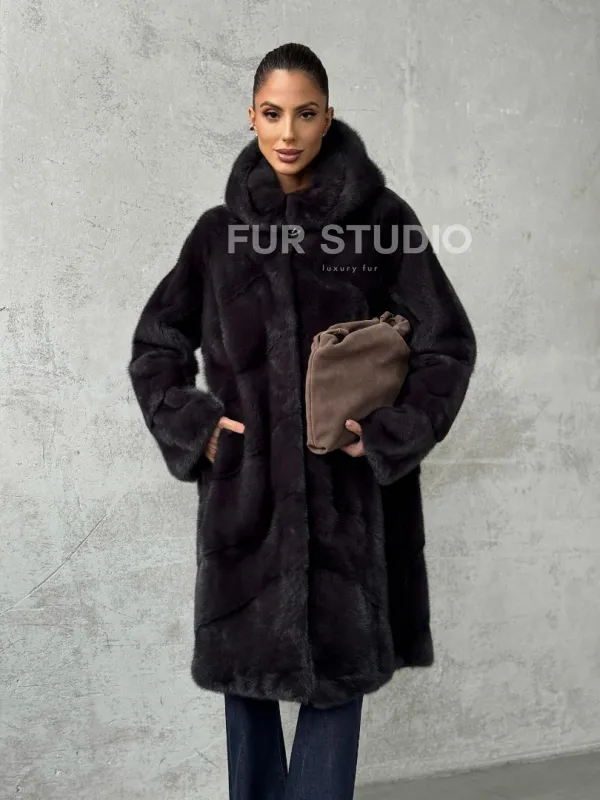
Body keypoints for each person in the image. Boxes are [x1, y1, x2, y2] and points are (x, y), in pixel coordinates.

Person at [128, 42, 477, 800]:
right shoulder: (217, 236)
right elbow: (156, 345)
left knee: (336, 686)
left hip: (348, 503)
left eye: (306, 113)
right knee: (247, 687)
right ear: (251, 116)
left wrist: (390, 433)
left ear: (328, 117)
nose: (288, 132)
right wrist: (196, 427)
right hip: (246, 502)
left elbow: (447, 344)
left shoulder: (383, 224)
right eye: (273, 113)